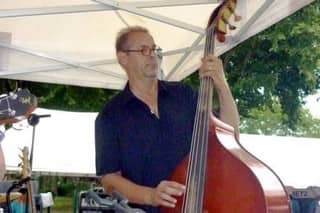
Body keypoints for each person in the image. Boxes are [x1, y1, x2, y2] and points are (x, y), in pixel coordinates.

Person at [95, 26, 240, 213]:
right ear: (123, 58)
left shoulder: (184, 95)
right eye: (143, 50)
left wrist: (221, 83)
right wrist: (151, 195)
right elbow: (109, 180)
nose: (152, 55)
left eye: (154, 49)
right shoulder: (109, 116)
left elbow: (229, 133)